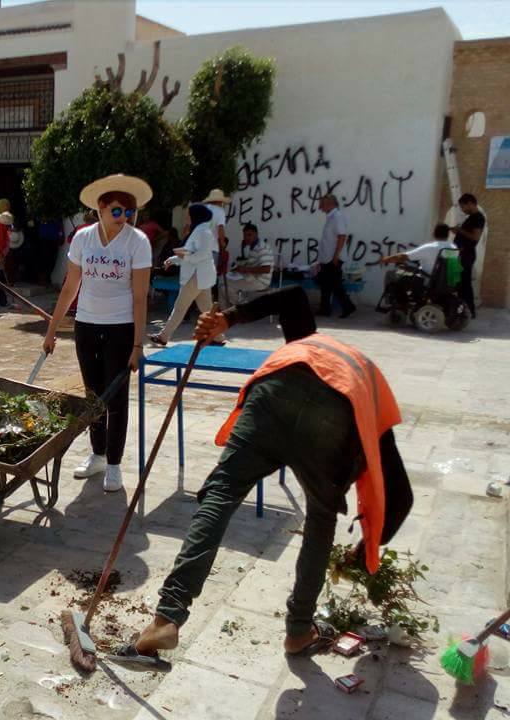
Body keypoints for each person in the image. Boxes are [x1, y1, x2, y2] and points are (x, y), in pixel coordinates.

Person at [121, 286, 412, 665]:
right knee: (321, 518)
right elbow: (401, 496)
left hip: (273, 395)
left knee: (222, 493)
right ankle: (298, 631)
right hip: (335, 418)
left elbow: (291, 296)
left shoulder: (307, 341)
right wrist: (365, 549)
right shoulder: (372, 392)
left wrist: (226, 318)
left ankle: (167, 617)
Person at [43, 174, 153, 493]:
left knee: (115, 397)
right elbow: (70, 287)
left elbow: (139, 296)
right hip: (87, 325)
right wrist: (51, 331)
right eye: (118, 211)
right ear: (102, 208)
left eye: (129, 213)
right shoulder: (83, 239)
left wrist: (137, 344)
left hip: (121, 328)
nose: (124, 218)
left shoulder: (138, 242)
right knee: (93, 395)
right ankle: (98, 454)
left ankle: (115, 465)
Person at [149, 204, 225, 347]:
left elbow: (200, 254)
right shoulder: (199, 231)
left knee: (180, 307)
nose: (186, 217)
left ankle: (163, 337)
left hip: (197, 276)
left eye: (189, 214)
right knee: (207, 309)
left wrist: (182, 257)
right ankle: (219, 337)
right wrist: (173, 260)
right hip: (200, 276)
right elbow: (189, 253)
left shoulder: (203, 232)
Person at [314, 194, 356, 318]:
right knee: (325, 284)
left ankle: (348, 306)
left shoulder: (337, 217)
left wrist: (336, 257)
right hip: (327, 257)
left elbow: (342, 237)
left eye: (321, 204)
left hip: (333, 258)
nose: (320, 208)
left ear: (329, 203)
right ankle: (325, 309)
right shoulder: (331, 217)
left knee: (335, 285)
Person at [450, 193, 485, 319]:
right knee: (460, 283)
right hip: (462, 254)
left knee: (464, 284)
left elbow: (475, 237)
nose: (462, 210)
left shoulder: (478, 218)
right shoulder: (471, 218)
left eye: (463, 207)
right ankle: (461, 310)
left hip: (466, 255)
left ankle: (469, 311)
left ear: (470, 203)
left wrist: (460, 231)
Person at [224, 222, 274, 303]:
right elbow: (252, 264)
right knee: (225, 279)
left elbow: (266, 269)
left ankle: (240, 308)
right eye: (245, 235)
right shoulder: (253, 247)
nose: (246, 238)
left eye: (249, 235)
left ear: (256, 235)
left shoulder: (262, 248)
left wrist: (245, 269)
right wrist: (239, 268)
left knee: (224, 285)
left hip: (260, 282)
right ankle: (233, 309)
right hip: (252, 278)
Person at [379, 223, 456, 275]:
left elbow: (404, 257)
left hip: (427, 281)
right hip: (446, 285)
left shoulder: (430, 247)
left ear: (434, 233)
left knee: (391, 274)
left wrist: (386, 259)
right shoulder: (453, 247)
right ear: (447, 235)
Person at [202, 189, 231, 300]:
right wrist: (223, 244)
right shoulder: (220, 211)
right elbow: (220, 229)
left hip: (199, 248)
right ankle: (210, 305)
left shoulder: (204, 210)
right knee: (211, 279)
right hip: (212, 249)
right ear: (220, 201)